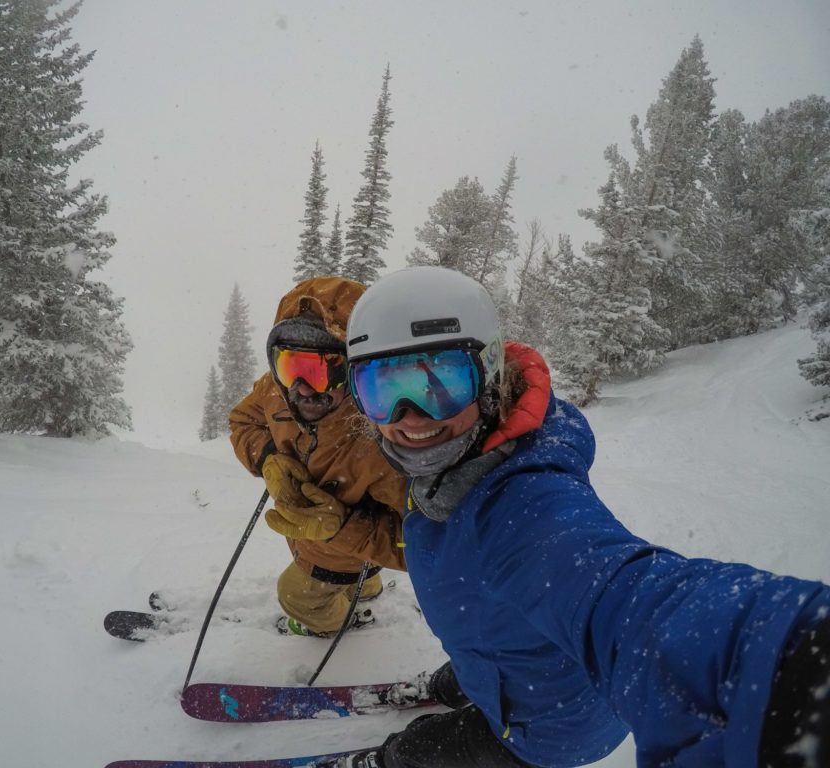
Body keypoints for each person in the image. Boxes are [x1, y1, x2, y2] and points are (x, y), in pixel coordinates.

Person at [340, 266, 830, 768]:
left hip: (548, 728)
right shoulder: (463, 454)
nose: (411, 416)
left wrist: (777, 673)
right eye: (382, 389)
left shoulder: (523, 502)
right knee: (469, 666)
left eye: (441, 381)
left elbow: (625, 595)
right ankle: (456, 683)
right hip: (514, 660)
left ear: (487, 375)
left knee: (418, 748)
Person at [228, 276, 408, 638]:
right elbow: (243, 420)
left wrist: (343, 527)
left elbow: (423, 543)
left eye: (321, 370)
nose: (303, 389)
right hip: (314, 540)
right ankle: (367, 589)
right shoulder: (275, 390)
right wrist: (267, 460)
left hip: (339, 555)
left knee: (297, 597)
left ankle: (335, 622)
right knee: (361, 575)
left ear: (354, 367)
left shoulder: (383, 436)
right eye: (291, 367)